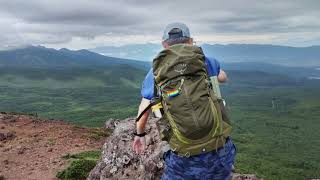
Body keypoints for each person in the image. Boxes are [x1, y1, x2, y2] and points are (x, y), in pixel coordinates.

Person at [132, 22, 236, 180]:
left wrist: (139, 134)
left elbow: (144, 109)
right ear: (190, 41)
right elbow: (223, 77)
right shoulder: (206, 61)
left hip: (184, 155)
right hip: (219, 148)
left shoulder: (155, 74)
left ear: (164, 45)